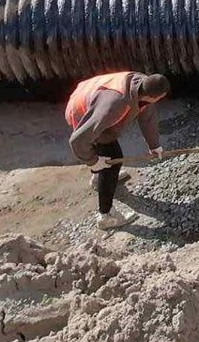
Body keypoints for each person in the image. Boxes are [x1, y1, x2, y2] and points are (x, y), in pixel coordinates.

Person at [65, 71, 170, 229]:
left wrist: (154, 145)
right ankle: (106, 216)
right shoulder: (114, 106)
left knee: (108, 155)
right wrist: (93, 161)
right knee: (112, 161)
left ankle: (97, 179)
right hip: (80, 111)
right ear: (154, 96)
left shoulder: (142, 85)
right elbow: (78, 140)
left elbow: (147, 117)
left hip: (92, 94)